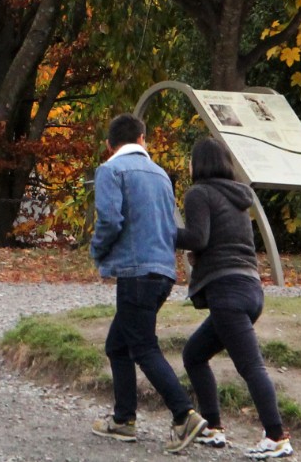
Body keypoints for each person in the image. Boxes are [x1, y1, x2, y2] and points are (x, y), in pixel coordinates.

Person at [90, 113, 207, 453]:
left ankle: (184, 413)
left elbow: (110, 220)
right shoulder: (160, 175)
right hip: (162, 272)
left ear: (109, 146)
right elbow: (170, 225)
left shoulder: (110, 171)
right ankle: (123, 419)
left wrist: (98, 253)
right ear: (142, 139)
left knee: (142, 346)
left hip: (134, 272)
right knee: (118, 344)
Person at [175, 136, 292, 458]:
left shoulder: (199, 193)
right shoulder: (239, 196)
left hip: (227, 292)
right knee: (194, 354)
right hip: (251, 289)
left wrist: (161, 231)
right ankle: (213, 428)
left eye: (190, 158)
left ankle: (276, 436)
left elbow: (198, 238)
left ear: (198, 163)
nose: (187, 164)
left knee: (252, 367)